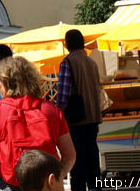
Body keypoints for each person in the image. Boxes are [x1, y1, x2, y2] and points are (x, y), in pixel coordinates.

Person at [0, 56, 75, 191]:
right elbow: (70, 155)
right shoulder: (51, 110)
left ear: (4, 83)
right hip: (45, 183)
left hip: (7, 183)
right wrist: (57, 176)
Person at [55, 29, 102, 191]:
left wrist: (57, 117)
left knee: (77, 164)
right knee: (93, 162)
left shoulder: (68, 63)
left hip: (75, 121)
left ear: (68, 43)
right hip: (92, 119)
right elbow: (97, 92)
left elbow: (63, 95)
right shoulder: (92, 63)